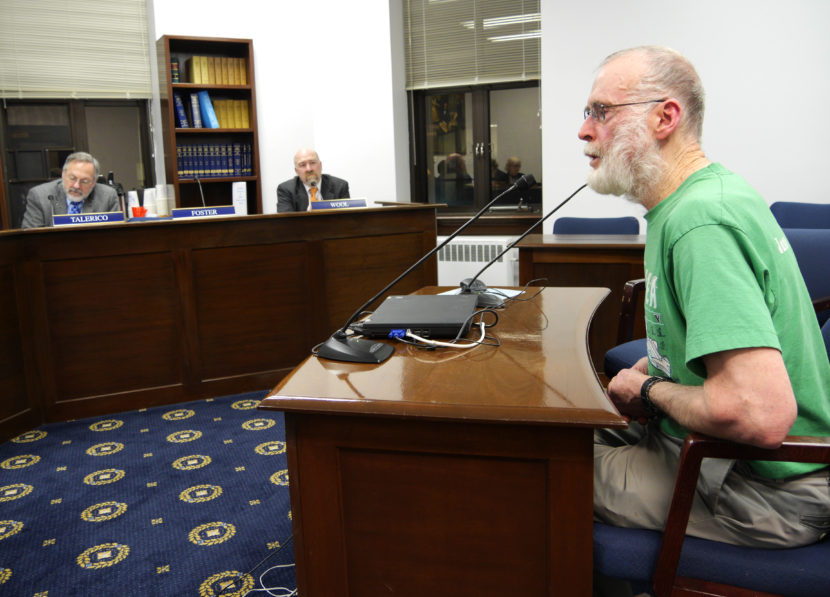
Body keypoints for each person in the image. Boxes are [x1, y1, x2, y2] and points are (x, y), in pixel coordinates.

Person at [580, 45, 830, 558]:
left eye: (601, 112)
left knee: (528, 471)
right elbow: (697, 341)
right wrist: (647, 375)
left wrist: (648, 390)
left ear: (664, 117)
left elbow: (759, 414)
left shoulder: (702, 223)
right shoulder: (690, 202)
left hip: (766, 489)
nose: (584, 131)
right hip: (715, 458)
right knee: (554, 443)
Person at [21, 152, 120, 228]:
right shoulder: (40, 196)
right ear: (63, 175)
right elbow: (30, 240)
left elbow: (115, 236)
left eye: (84, 181)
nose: (76, 186)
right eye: (72, 178)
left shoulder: (107, 196)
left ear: (94, 182)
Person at [276, 148, 350, 212]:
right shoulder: (286, 190)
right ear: (297, 171)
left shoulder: (340, 186)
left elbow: (346, 220)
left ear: (320, 165)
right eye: (302, 165)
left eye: (312, 163)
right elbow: (286, 224)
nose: (309, 169)